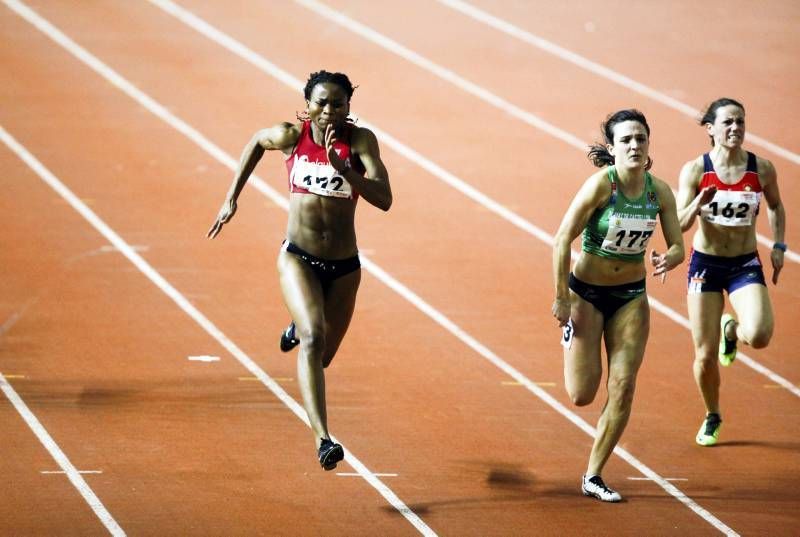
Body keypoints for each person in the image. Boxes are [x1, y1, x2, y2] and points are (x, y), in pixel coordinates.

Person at [207, 70, 392, 470]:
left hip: (344, 266)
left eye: (337, 104)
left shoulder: (360, 142)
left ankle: (296, 326)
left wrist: (344, 169)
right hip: (298, 256)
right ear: (307, 104)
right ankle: (324, 440)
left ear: (348, 108)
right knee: (312, 339)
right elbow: (257, 142)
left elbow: (385, 199)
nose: (328, 110)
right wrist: (231, 198)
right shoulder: (291, 136)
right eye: (320, 102)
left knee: (321, 358)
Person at [552, 109, 684, 502]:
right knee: (582, 394)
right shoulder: (600, 186)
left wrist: (670, 258)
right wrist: (561, 296)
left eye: (640, 138)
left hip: (630, 298)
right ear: (612, 148)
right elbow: (561, 239)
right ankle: (572, 337)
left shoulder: (659, 192)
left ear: (648, 144)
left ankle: (594, 474)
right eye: (625, 140)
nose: (634, 145)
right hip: (587, 295)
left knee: (623, 386)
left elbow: (678, 244)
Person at [676, 97, 785, 447]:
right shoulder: (695, 170)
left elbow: (777, 206)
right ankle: (712, 414)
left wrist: (779, 246)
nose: (735, 127)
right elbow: (678, 223)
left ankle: (732, 329)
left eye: (740, 121)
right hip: (705, 266)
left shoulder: (761, 168)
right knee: (705, 356)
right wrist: (698, 202)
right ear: (711, 129)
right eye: (727, 122)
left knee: (760, 335)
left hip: (743, 264)